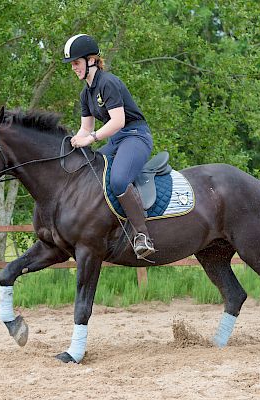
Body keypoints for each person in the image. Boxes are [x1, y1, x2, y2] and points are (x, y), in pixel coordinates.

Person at [63, 34, 156, 258]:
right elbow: (85, 129)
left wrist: (91, 138)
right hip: (116, 141)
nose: (73, 68)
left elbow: (118, 121)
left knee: (118, 179)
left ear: (91, 59)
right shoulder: (86, 92)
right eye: (72, 64)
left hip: (135, 135)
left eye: (76, 63)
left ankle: (142, 235)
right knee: (89, 171)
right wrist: (73, 144)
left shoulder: (108, 82)